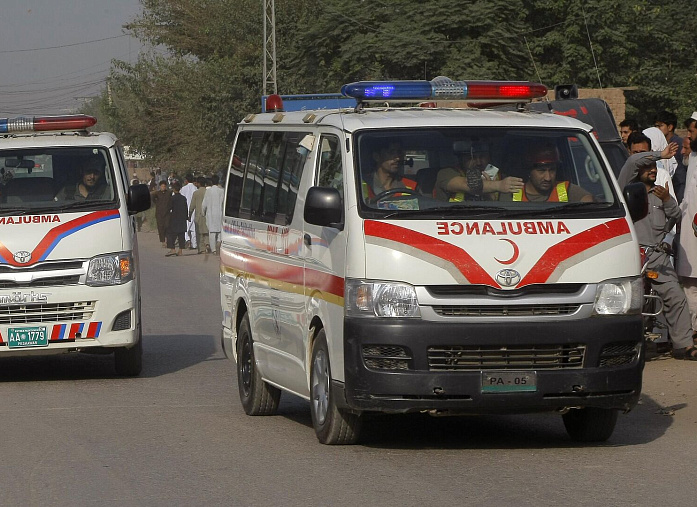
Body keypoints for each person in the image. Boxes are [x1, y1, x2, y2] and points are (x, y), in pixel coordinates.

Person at [617, 147, 697, 360]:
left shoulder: (660, 192)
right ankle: (629, 346)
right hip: (633, 256)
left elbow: (676, 215)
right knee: (631, 302)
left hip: (658, 256)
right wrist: (660, 155)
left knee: (676, 296)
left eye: (655, 167)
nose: (653, 170)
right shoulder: (625, 189)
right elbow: (633, 160)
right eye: (648, 167)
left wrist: (669, 199)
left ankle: (683, 346)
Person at [435, 141, 523, 201]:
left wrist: (489, 196)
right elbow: (468, 184)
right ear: (461, 159)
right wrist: (498, 185)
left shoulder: (502, 178)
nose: (478, 162)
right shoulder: (446, 173)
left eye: (482, 157)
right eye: (471, 158)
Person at [506, 143, 592, 202]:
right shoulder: (512, 193)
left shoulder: (566, 189)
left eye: (552, 170)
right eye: (541, 170)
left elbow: (589, 202)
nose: (548, 177)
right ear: (529, 170)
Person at [675, 112, 697, 343]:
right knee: (690, 283)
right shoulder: (692, 159)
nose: (687, 138)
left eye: (690, 132)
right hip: (690, 235)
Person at [627, 132, 677, 202]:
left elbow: (673, 208)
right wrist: (661, 154)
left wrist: (666, 199)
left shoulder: (661, 174)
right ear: (629, 152)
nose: (639, 158)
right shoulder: (624, 175)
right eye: (635, 153)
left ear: (651, 152)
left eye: (643, 153)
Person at [655, 111, 686, 202]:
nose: (657, 129)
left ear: (670, 127)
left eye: (660, 126)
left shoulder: (678, 144)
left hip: (679, 189)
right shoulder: (660, 144)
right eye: (656, 126)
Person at [202, 174, 224, 254]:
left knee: (212, 232)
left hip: (210, 214)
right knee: (219, 231)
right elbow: (223, 203)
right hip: (219, 213)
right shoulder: (222, 191)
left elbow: (204, 204)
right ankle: (219, 242)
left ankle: (214, 249)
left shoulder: (208, 191)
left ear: (211, 182)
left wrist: (203, 212)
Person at [166, 181, 188, 257]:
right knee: (181, 235)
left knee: (171, 234)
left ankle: (172, 249)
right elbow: (186, 209)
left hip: (174, 218)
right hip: (182, 219)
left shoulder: (172, 198)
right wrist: (186, 217)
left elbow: (168, 208)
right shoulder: (183, 198)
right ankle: (180, 251)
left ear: (174, 189)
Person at [188, 176, 210, 254]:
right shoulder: (208, 192)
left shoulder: (196, 193)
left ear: (199, 183)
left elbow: (192, 206)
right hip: (208, 214)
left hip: (199, 215)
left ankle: (202, 249)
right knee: (206, 231)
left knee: (199, 233)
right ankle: (207, 244)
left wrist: (189, 215)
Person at [150, 180, 172, 247]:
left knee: (167, 226)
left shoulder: (168, 193)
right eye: (162, 186)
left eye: (164, 186)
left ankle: (167, 239)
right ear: (160, 187)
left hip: (167, 213)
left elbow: (171, 201)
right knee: (160, 227)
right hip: (159, 213)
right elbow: (153, 199)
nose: (163, 187)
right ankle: (163, 241)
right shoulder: (157, 193)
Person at [180, 173, 197, 250]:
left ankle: (187, 240)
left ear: (186, 180)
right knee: (193, 228)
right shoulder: (195, 188)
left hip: (185, 209)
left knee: (186, 226)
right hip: (194, 210)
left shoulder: (183, 189)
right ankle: (194, 244)